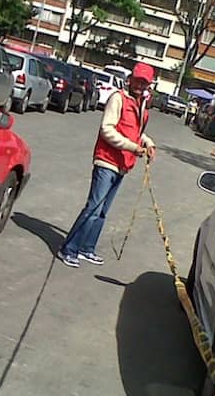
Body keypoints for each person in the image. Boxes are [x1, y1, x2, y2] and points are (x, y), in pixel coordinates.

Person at [57, 62, 157, 268]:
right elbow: (107, 130)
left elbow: (135, 132)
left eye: (144, 82)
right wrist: (133, 147)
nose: (139, 85)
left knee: (103, 211)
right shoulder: (118, 99)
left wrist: (147, 143)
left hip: (123, 165)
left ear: (149, 85)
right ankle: (69, 249)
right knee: (93, 207)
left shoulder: (140, 104)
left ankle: (87, 248)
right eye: (137, 80)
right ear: (130, 79)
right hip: (106, 161)